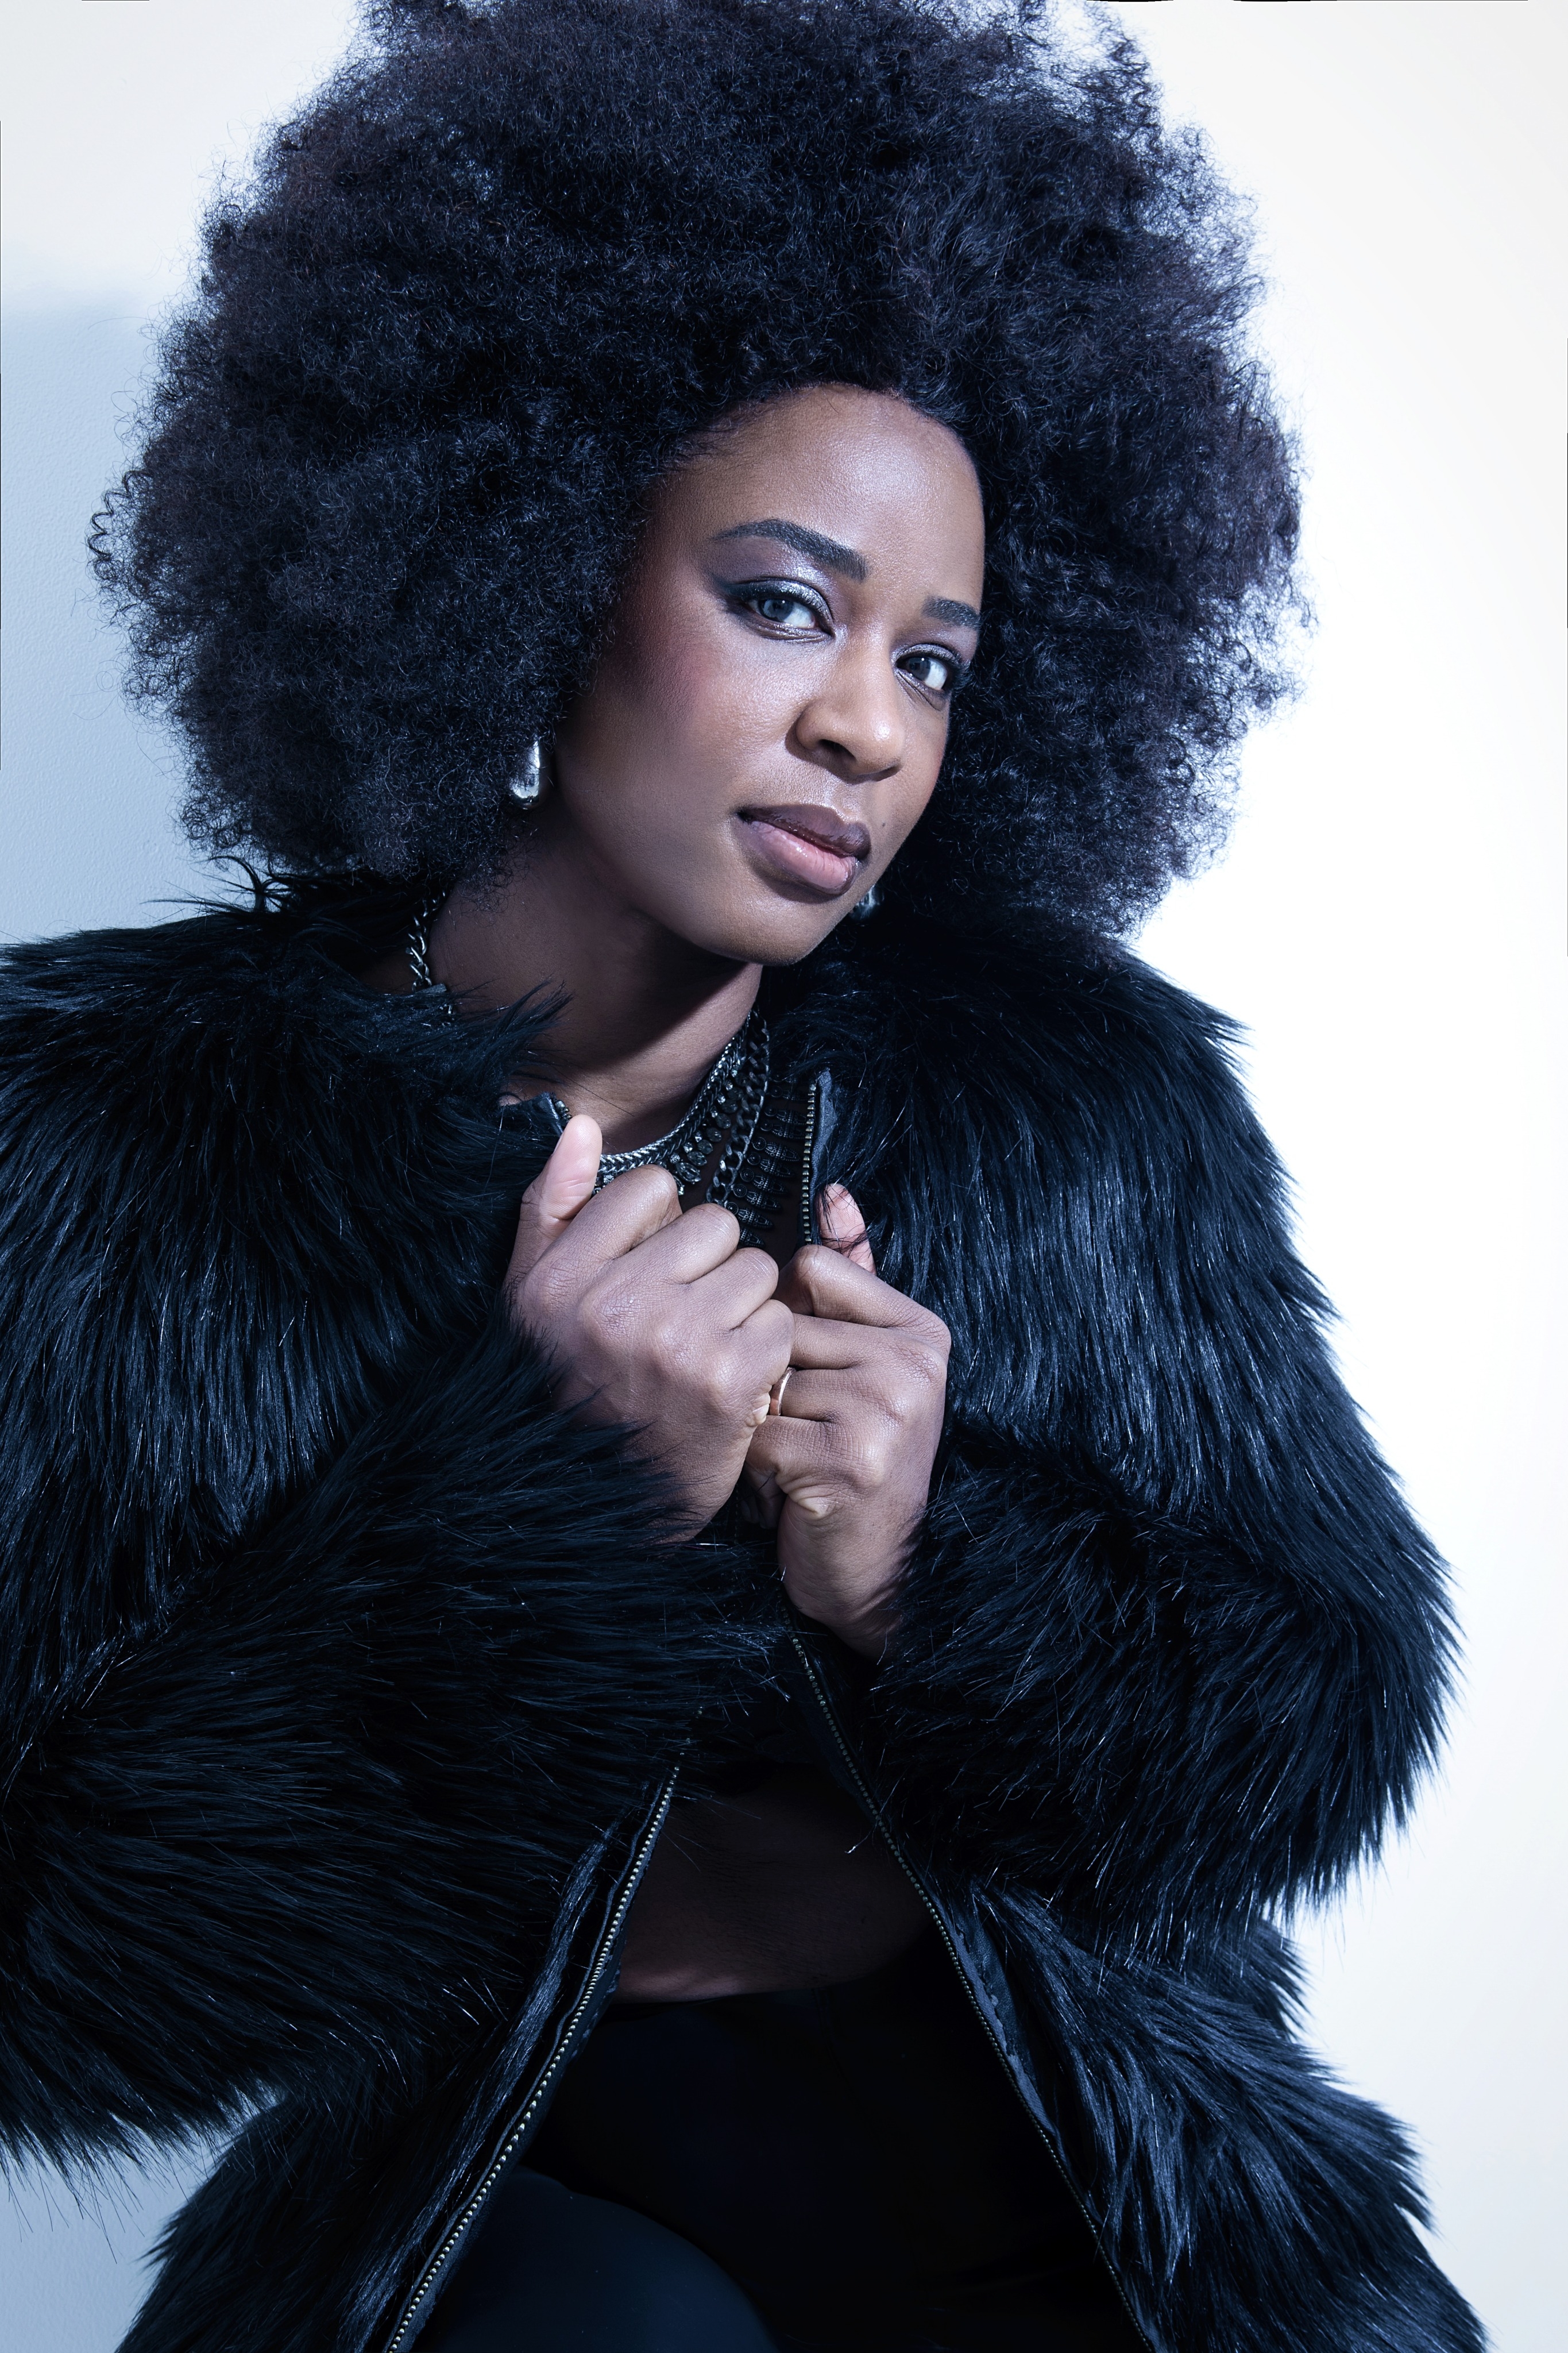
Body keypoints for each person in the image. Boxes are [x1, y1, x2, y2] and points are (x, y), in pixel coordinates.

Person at [0, 2, 1481, 2348]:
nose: (865, 724)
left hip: (1103, 2173)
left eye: (935, 664)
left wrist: (926, 1561)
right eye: (783, 601)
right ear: (536, 564)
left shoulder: (1063, 1099)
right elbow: (46, 1960)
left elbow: (1318, 1715)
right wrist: (539, 1504)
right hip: (503, 2203)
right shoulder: (123, 1141)